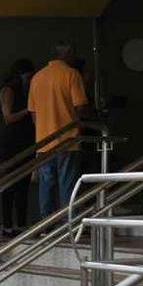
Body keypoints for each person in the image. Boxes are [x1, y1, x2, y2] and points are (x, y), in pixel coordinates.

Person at [28, 41, 91, 218]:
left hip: (44, 143)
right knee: (68, 186)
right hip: (67, 141)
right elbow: (80, 107)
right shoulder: (71, 75)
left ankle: (46, 225)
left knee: (46, 186)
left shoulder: (37, 78)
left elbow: (33, 114)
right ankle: (68, 224)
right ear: (67, 54)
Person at [0, 59, 36, 236]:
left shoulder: (28, 91)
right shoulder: (9, 90)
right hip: (12, 141)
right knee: (10, 184)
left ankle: (21, 223)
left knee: (24, 185)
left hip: (27, 140)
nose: (29, 80)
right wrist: (28, 110)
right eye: (27, 76)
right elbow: (8, 117)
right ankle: (7, 225)